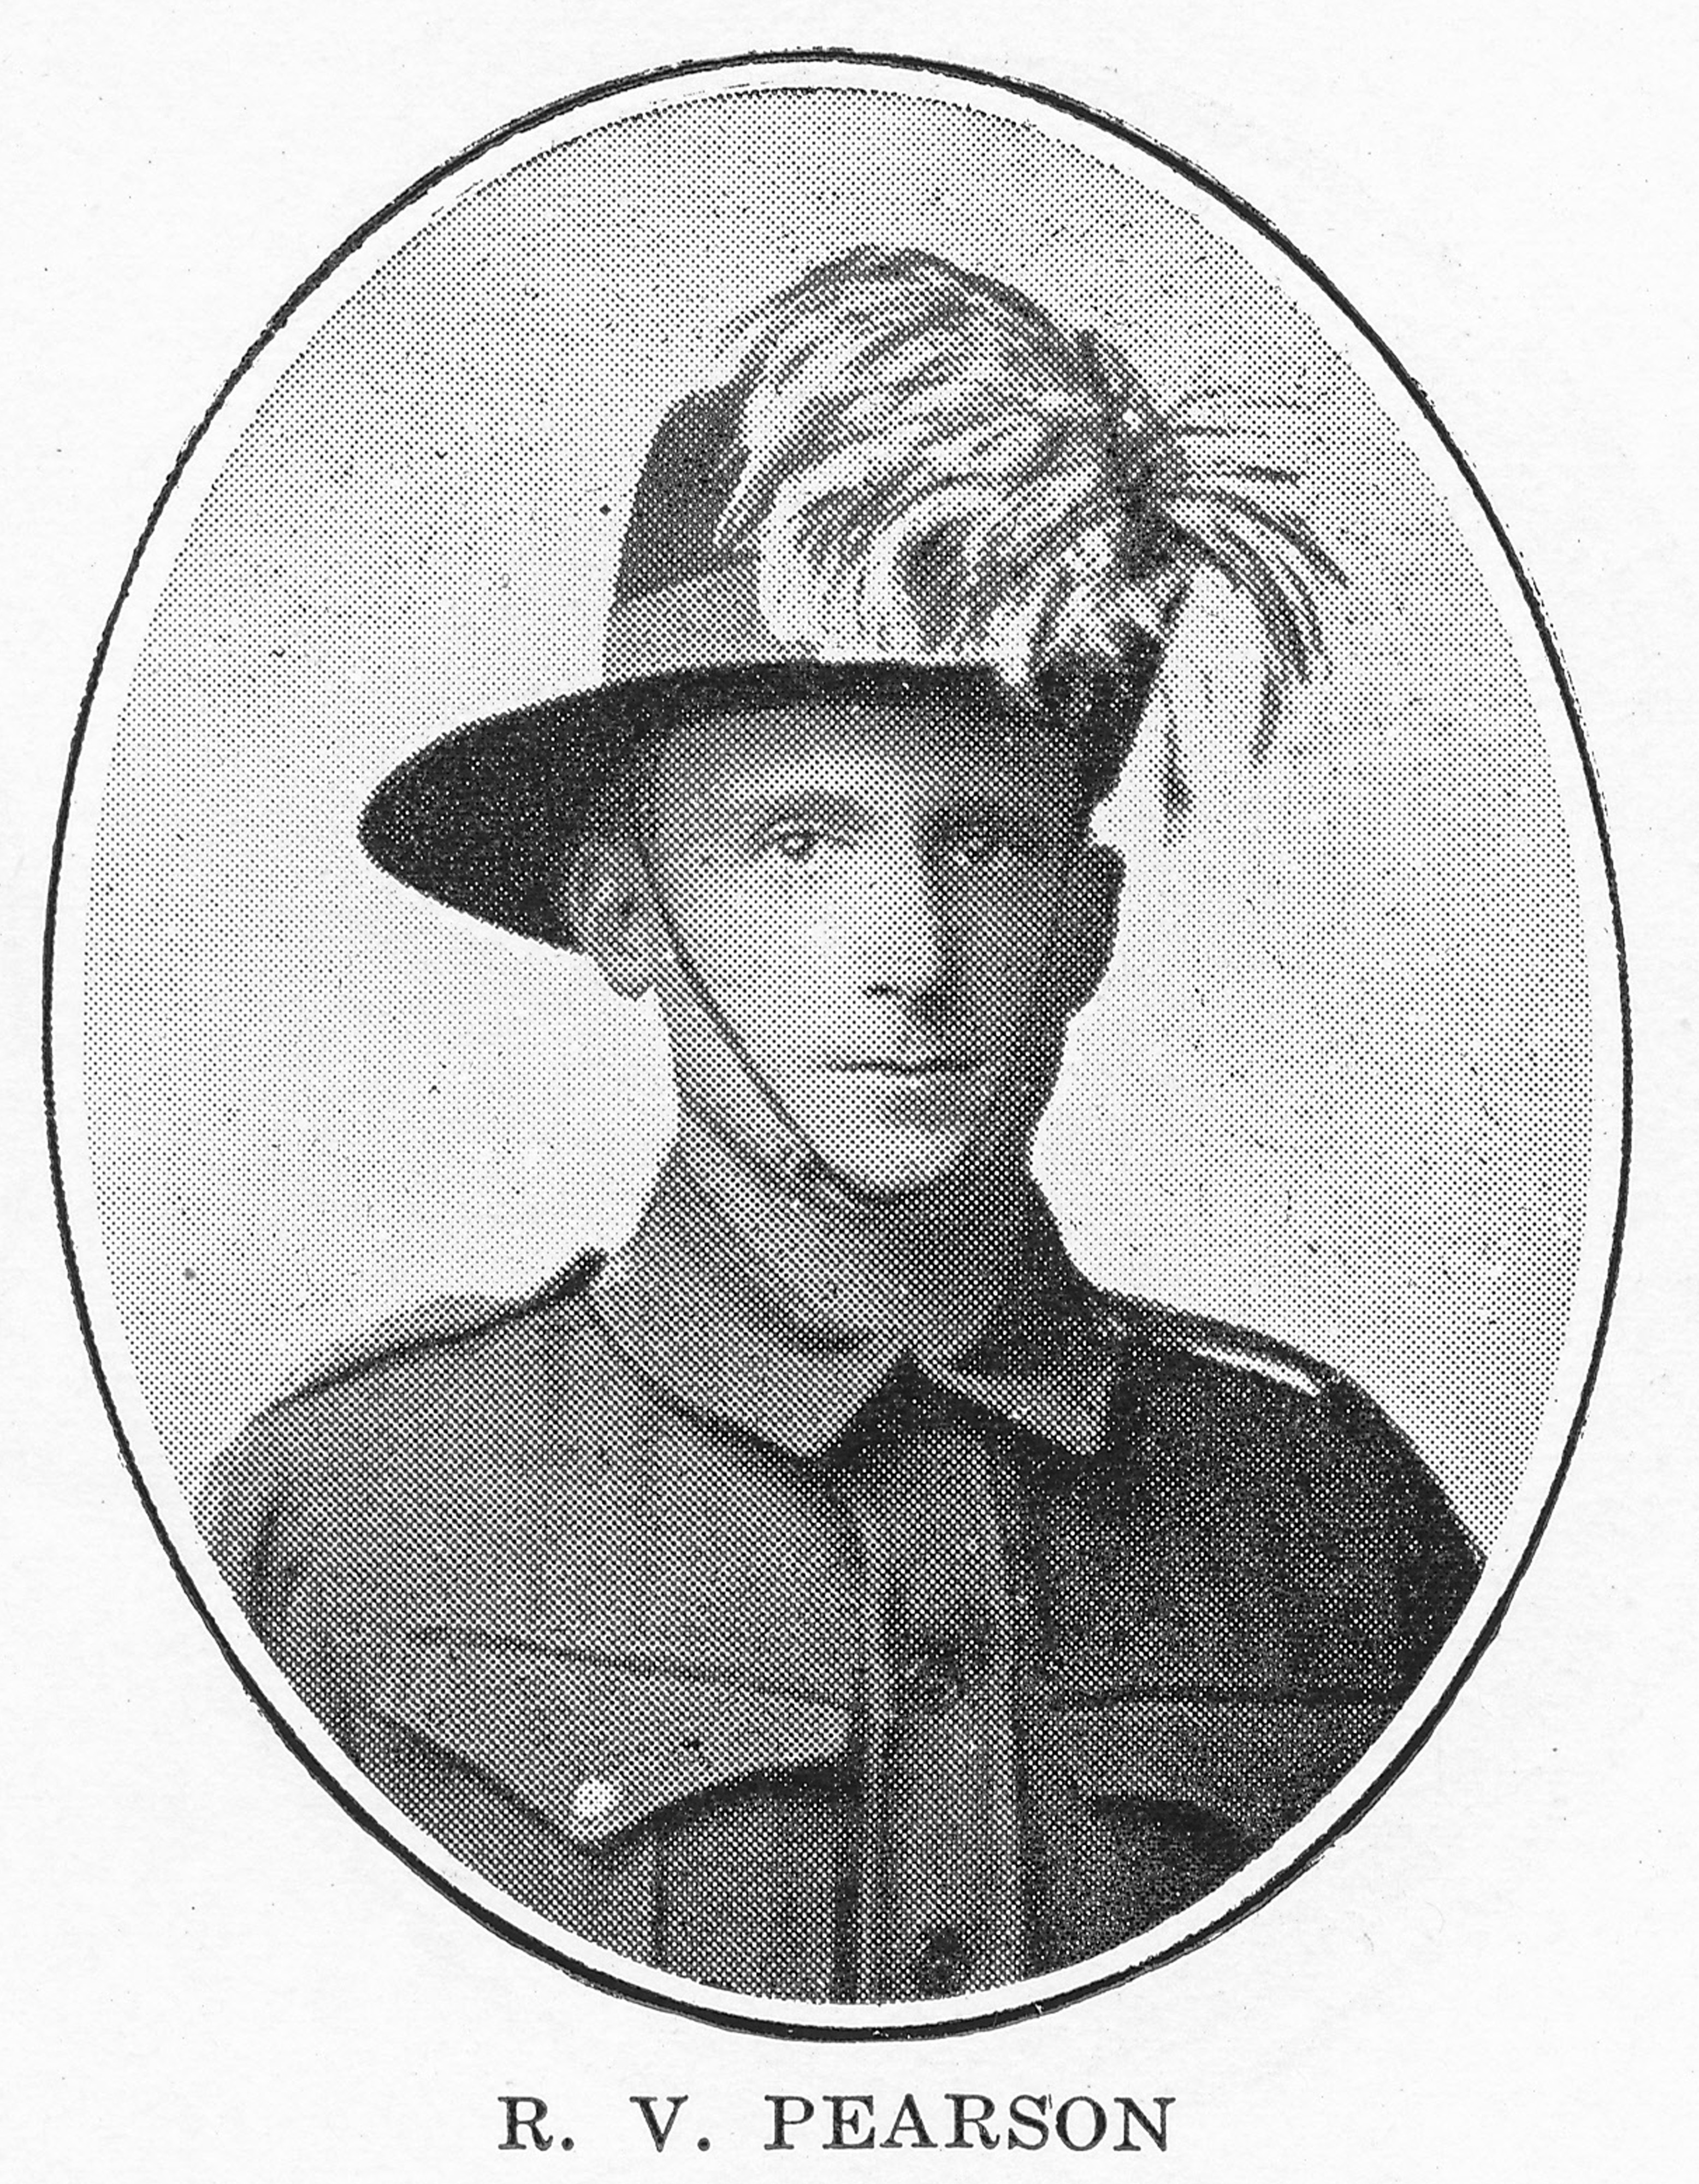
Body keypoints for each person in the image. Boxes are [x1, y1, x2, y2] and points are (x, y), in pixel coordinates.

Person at [207, 247, 1480, 2007]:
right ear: (624, 917)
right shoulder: (344, 1511)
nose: (911, 956)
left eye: (985, 843)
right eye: (799, 845)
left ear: (1086, 930)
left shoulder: (1332, 1515)